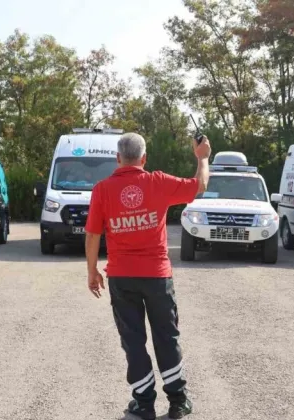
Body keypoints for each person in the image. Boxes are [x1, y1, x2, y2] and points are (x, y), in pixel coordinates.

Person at [84, 132, 211, 419]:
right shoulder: (158, 182)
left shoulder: (102, 190)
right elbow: (200, 185)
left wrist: (92, 271)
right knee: (167, 336)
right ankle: (178, 401)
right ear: (144, 158)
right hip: (157, 276)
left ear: (118, 159)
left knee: (133, 340)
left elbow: (93, 234)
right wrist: (202, 157)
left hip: (121, 277)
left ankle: (143, 403)